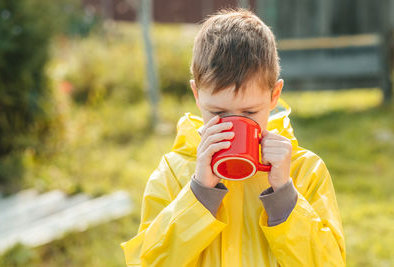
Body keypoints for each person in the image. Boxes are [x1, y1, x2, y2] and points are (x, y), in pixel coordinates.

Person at [121, 8, 346, 266]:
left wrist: (284, 196)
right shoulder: (173, 173)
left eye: (249, 112)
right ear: (197, 94)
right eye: (217, 112)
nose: (233, 124)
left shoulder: (305, 171)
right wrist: (199, 194)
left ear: (274, 95)